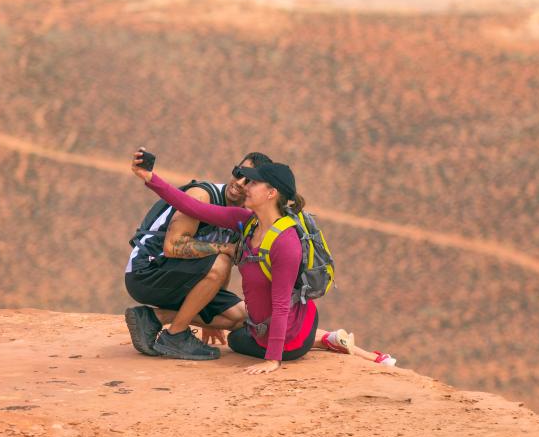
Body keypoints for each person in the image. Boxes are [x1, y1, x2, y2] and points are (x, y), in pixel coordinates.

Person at [131, 150, 397, 372]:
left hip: (290, 340)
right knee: (238, 322)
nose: (246, 186)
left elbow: (281, 304)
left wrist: (273, 359)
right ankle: (333, 339)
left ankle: (332, 342)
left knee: (237, 338)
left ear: (271, 193)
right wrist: (150, 178)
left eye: (254, 183)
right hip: (263, 325)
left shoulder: (285, 242)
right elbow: (193, 207)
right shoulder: (247, 222)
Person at [123, 153, 273, 360]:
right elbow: (173, 246)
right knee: (221, 257)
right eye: (239, 173)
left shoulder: (245, 216)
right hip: (146, 273)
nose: (239, 183)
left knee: (242, 317)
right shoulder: (203, 195)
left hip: (183, 277)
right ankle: (175, 336)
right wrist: (223, 248)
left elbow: (225, 265)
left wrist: (206, 306)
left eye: (250, 181)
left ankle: (153, 318)